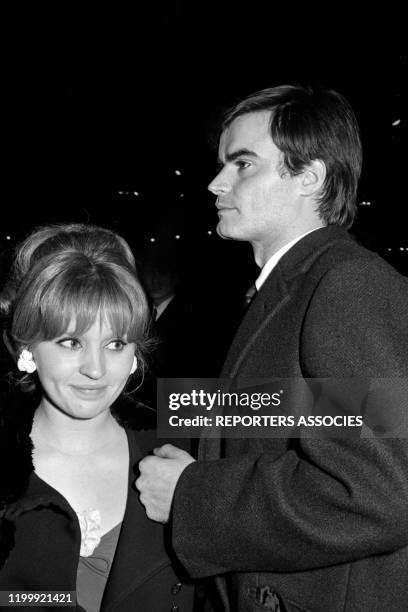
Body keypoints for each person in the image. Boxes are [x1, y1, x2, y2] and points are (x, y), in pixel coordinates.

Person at [136, 85, 408, 611]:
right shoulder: (294, 286)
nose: (216, 183)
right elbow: (299, 414)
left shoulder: (347, 286)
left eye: (242, 164)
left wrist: (193, 496)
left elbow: (380, 492)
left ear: (310, 177)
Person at [0, 223, 194, 611]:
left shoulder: (182, 440)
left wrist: (202, 497)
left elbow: (345, 410)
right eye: (71, 342)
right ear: (28, 347)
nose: (96, 369)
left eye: (116, 343)